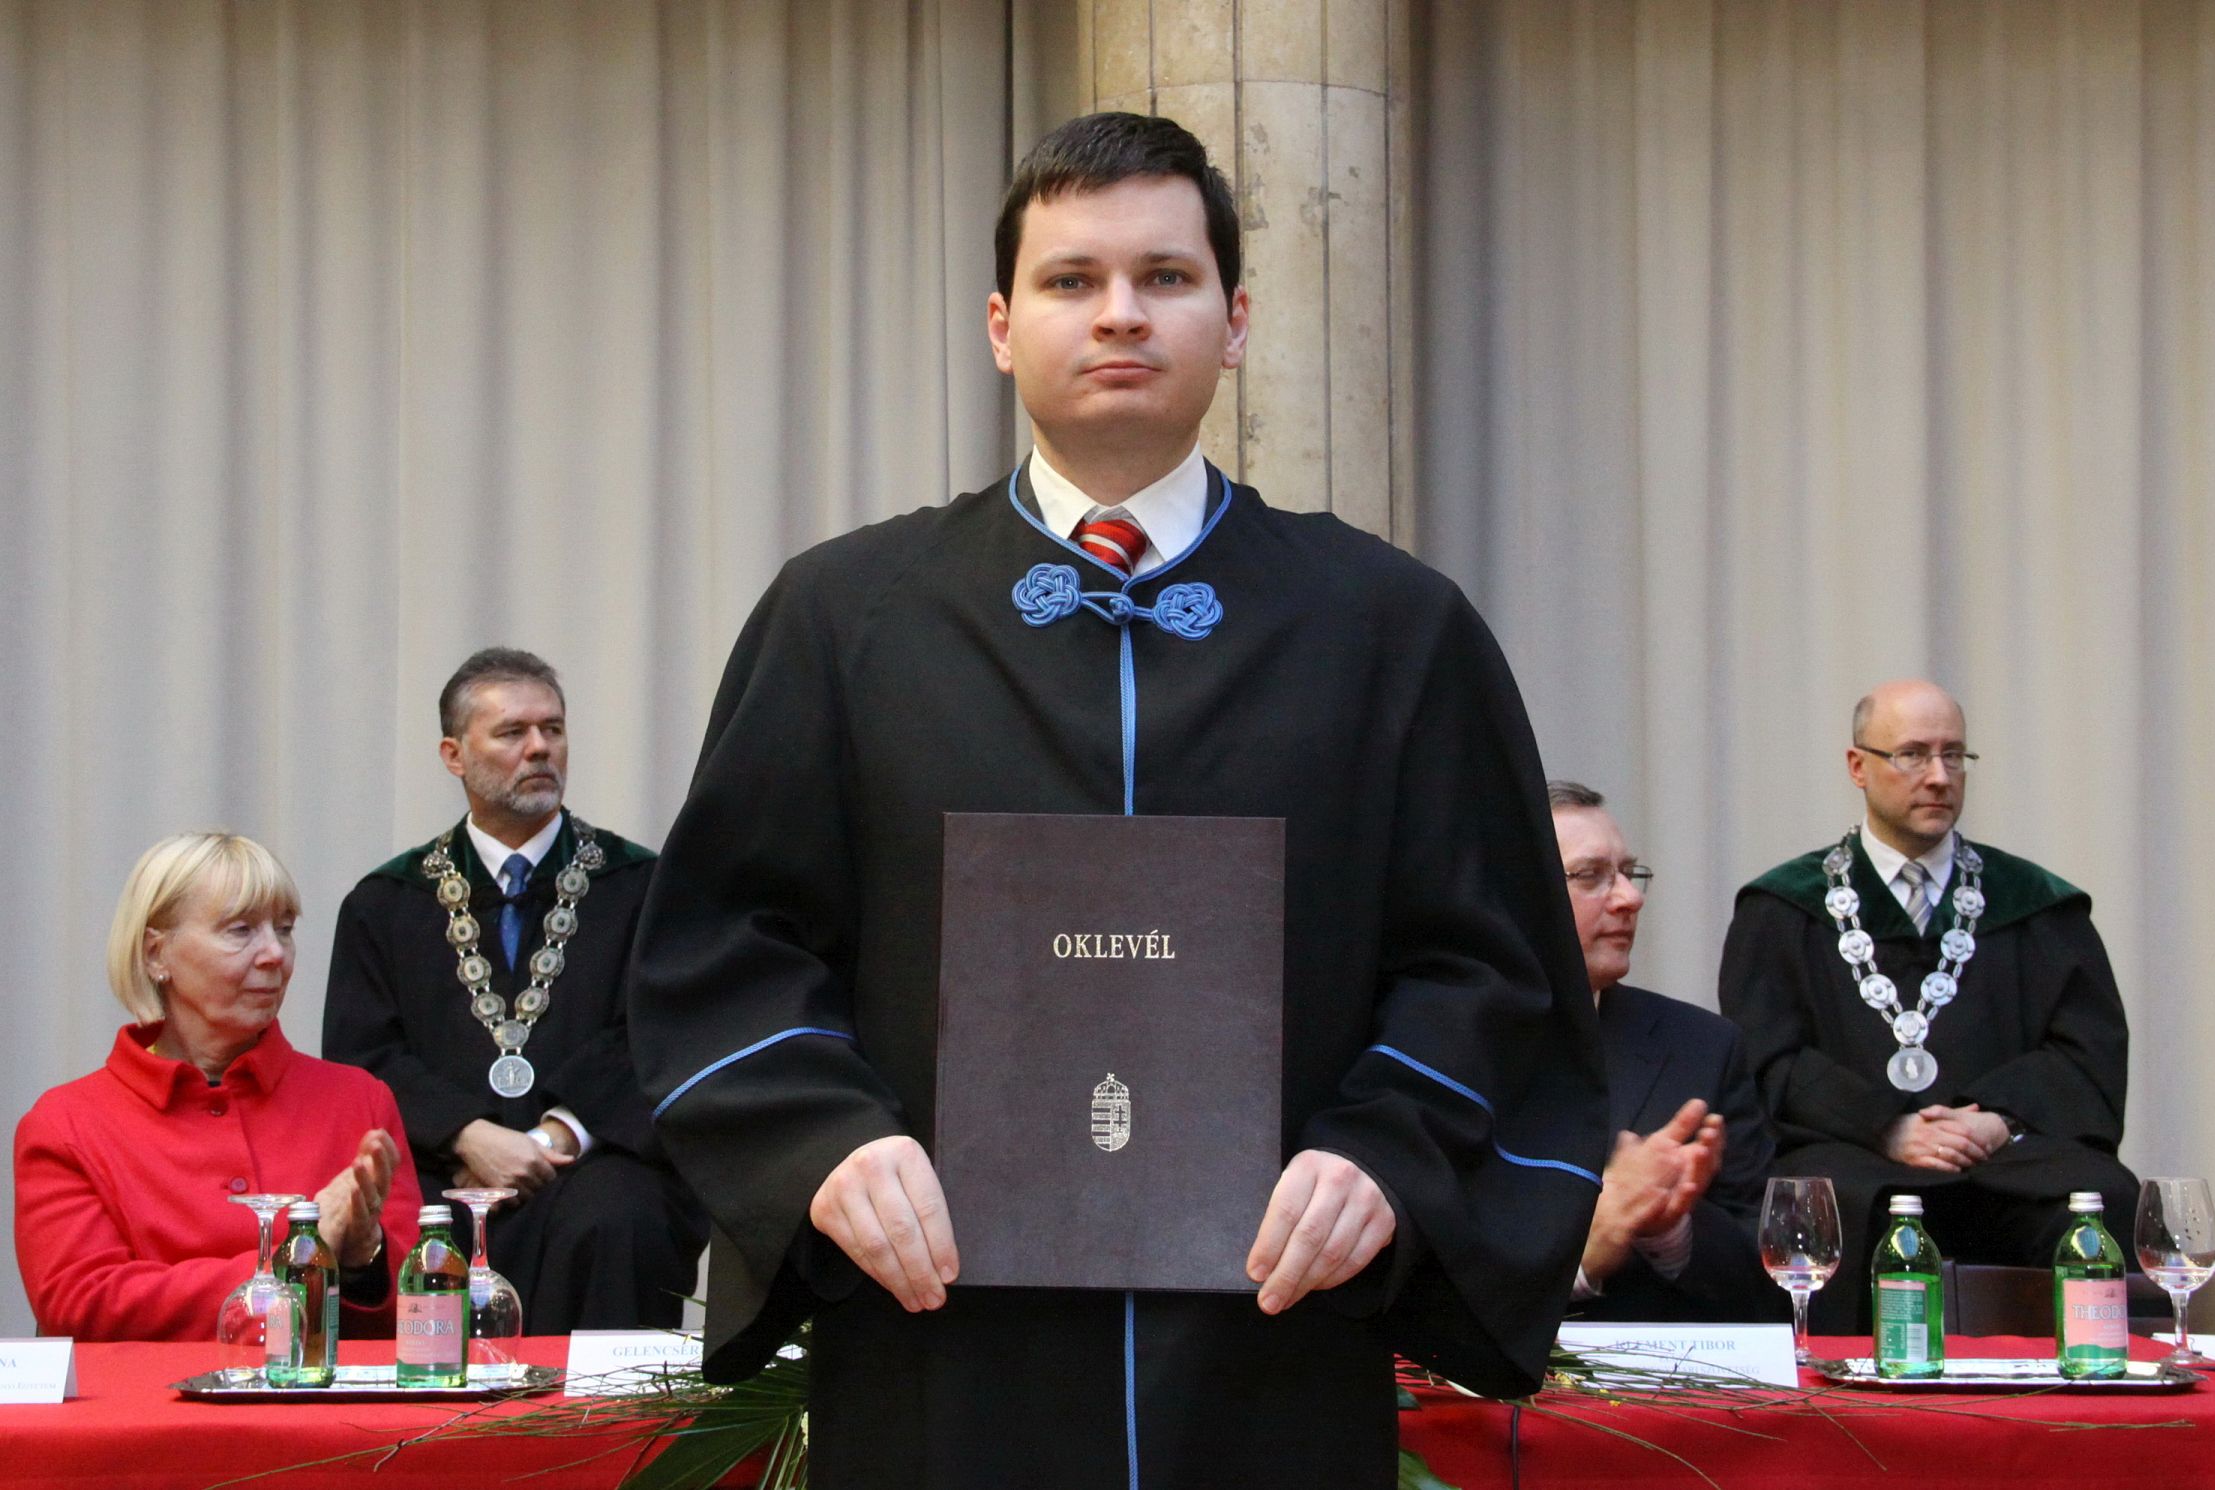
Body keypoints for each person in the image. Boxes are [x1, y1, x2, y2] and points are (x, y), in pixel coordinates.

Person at [628, 112, 1605, 1487]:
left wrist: (1387, 1150)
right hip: (942, 1341)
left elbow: (1489, 961)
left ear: (1236, 320)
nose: (1120, 314)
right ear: (1000, 325)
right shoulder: (847, 619)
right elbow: (728, 943)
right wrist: (821, 1142)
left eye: (1166, 276)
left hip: (1273, 1333)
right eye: (1071, 279)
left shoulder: (1389, 627)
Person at [1719, 679, 2138, 1331]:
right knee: (1825, 1198)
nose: (1938, 776)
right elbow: (1767, 1060)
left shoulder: (2036, 906)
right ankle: (1836, 1391)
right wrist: (1886, 1126)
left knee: (2099, 1194)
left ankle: (2087, 1381)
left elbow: (2085, 1052)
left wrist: (1996, 1118)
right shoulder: (1782, 910)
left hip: (2002, 1157)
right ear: (1858, 765)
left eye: (1953, 755)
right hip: (1852, 1156)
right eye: (1912, 754)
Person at [323, 647, 705, 1333]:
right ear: (453, 755)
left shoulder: (642, 887)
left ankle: (603, 1413)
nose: (539, 748)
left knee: (622, 1215)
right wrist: (467, 1133)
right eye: (512, 732)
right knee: (401, 1226)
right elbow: (363, 1057)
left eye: (552, 729)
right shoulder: (386, 904)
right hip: (445, 1169)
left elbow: (666, 1031)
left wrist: (557, 1133)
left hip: (594, 1163)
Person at [13, 833, 418, 1341]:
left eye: (285, 929)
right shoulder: (66, 1124)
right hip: (150, 1397)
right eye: (241, 930)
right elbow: (80, 1304)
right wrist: (295, 1262)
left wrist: (365, 1257)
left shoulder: (359, 1100)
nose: (275, 954)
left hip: (321, 1393)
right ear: (157, 954)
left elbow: (422, 1310)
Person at [1550, 782, 1783, 1324]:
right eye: (1590, 876)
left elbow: (1772, 1287)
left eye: (1629, 872)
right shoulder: (1438, 1046)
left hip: (1664, 1371)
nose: (1629, 898)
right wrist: (1588, 1252)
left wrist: (1671, 1232)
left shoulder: (1702, 1047)